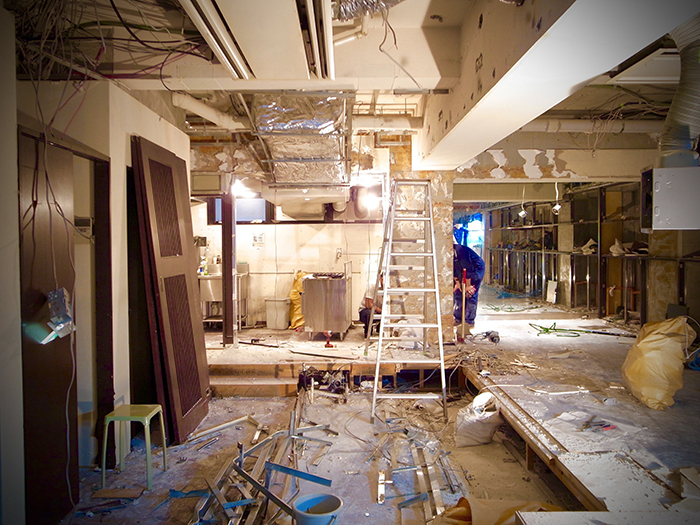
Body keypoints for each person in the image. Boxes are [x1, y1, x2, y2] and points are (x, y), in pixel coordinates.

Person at [453, 244, 485, 334]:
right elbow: (453, 269)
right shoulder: (448, 254)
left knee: (470, 293)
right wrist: (457, 283)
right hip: (461, 271)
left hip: (475, 270)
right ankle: (458, 318)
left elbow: (468, 269)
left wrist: (468, 285)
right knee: (458, 292)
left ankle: (469, 320)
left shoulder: (461, 251)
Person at [359, 272, 383, 337]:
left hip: (379, 310)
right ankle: (368, 331)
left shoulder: (389, 287)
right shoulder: (372, 285)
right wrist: (382, 311)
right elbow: (369, 304)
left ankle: (379, 327)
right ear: (381, 279)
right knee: (370, 313)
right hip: (366, 310)